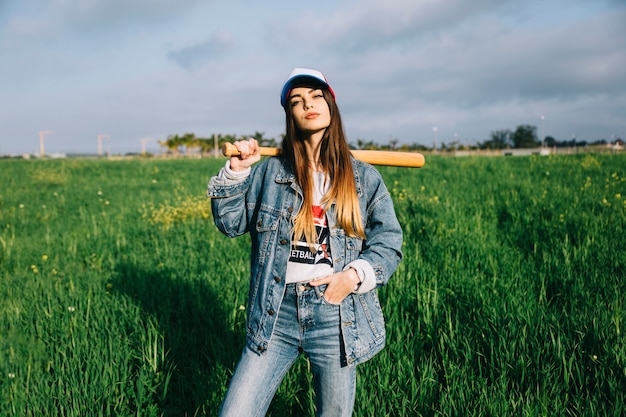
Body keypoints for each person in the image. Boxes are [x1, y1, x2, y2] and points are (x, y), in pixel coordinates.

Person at [207, 68, 403, 417]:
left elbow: (389, 241)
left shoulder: (363, 178)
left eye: (315, 97)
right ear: (291, 116)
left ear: (330, 105)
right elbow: (231, 224)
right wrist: (236, 172)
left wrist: (354, 276)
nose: (307, 105)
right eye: (297, 101)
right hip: (275, 312)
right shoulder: (271, 173)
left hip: (335, 313)